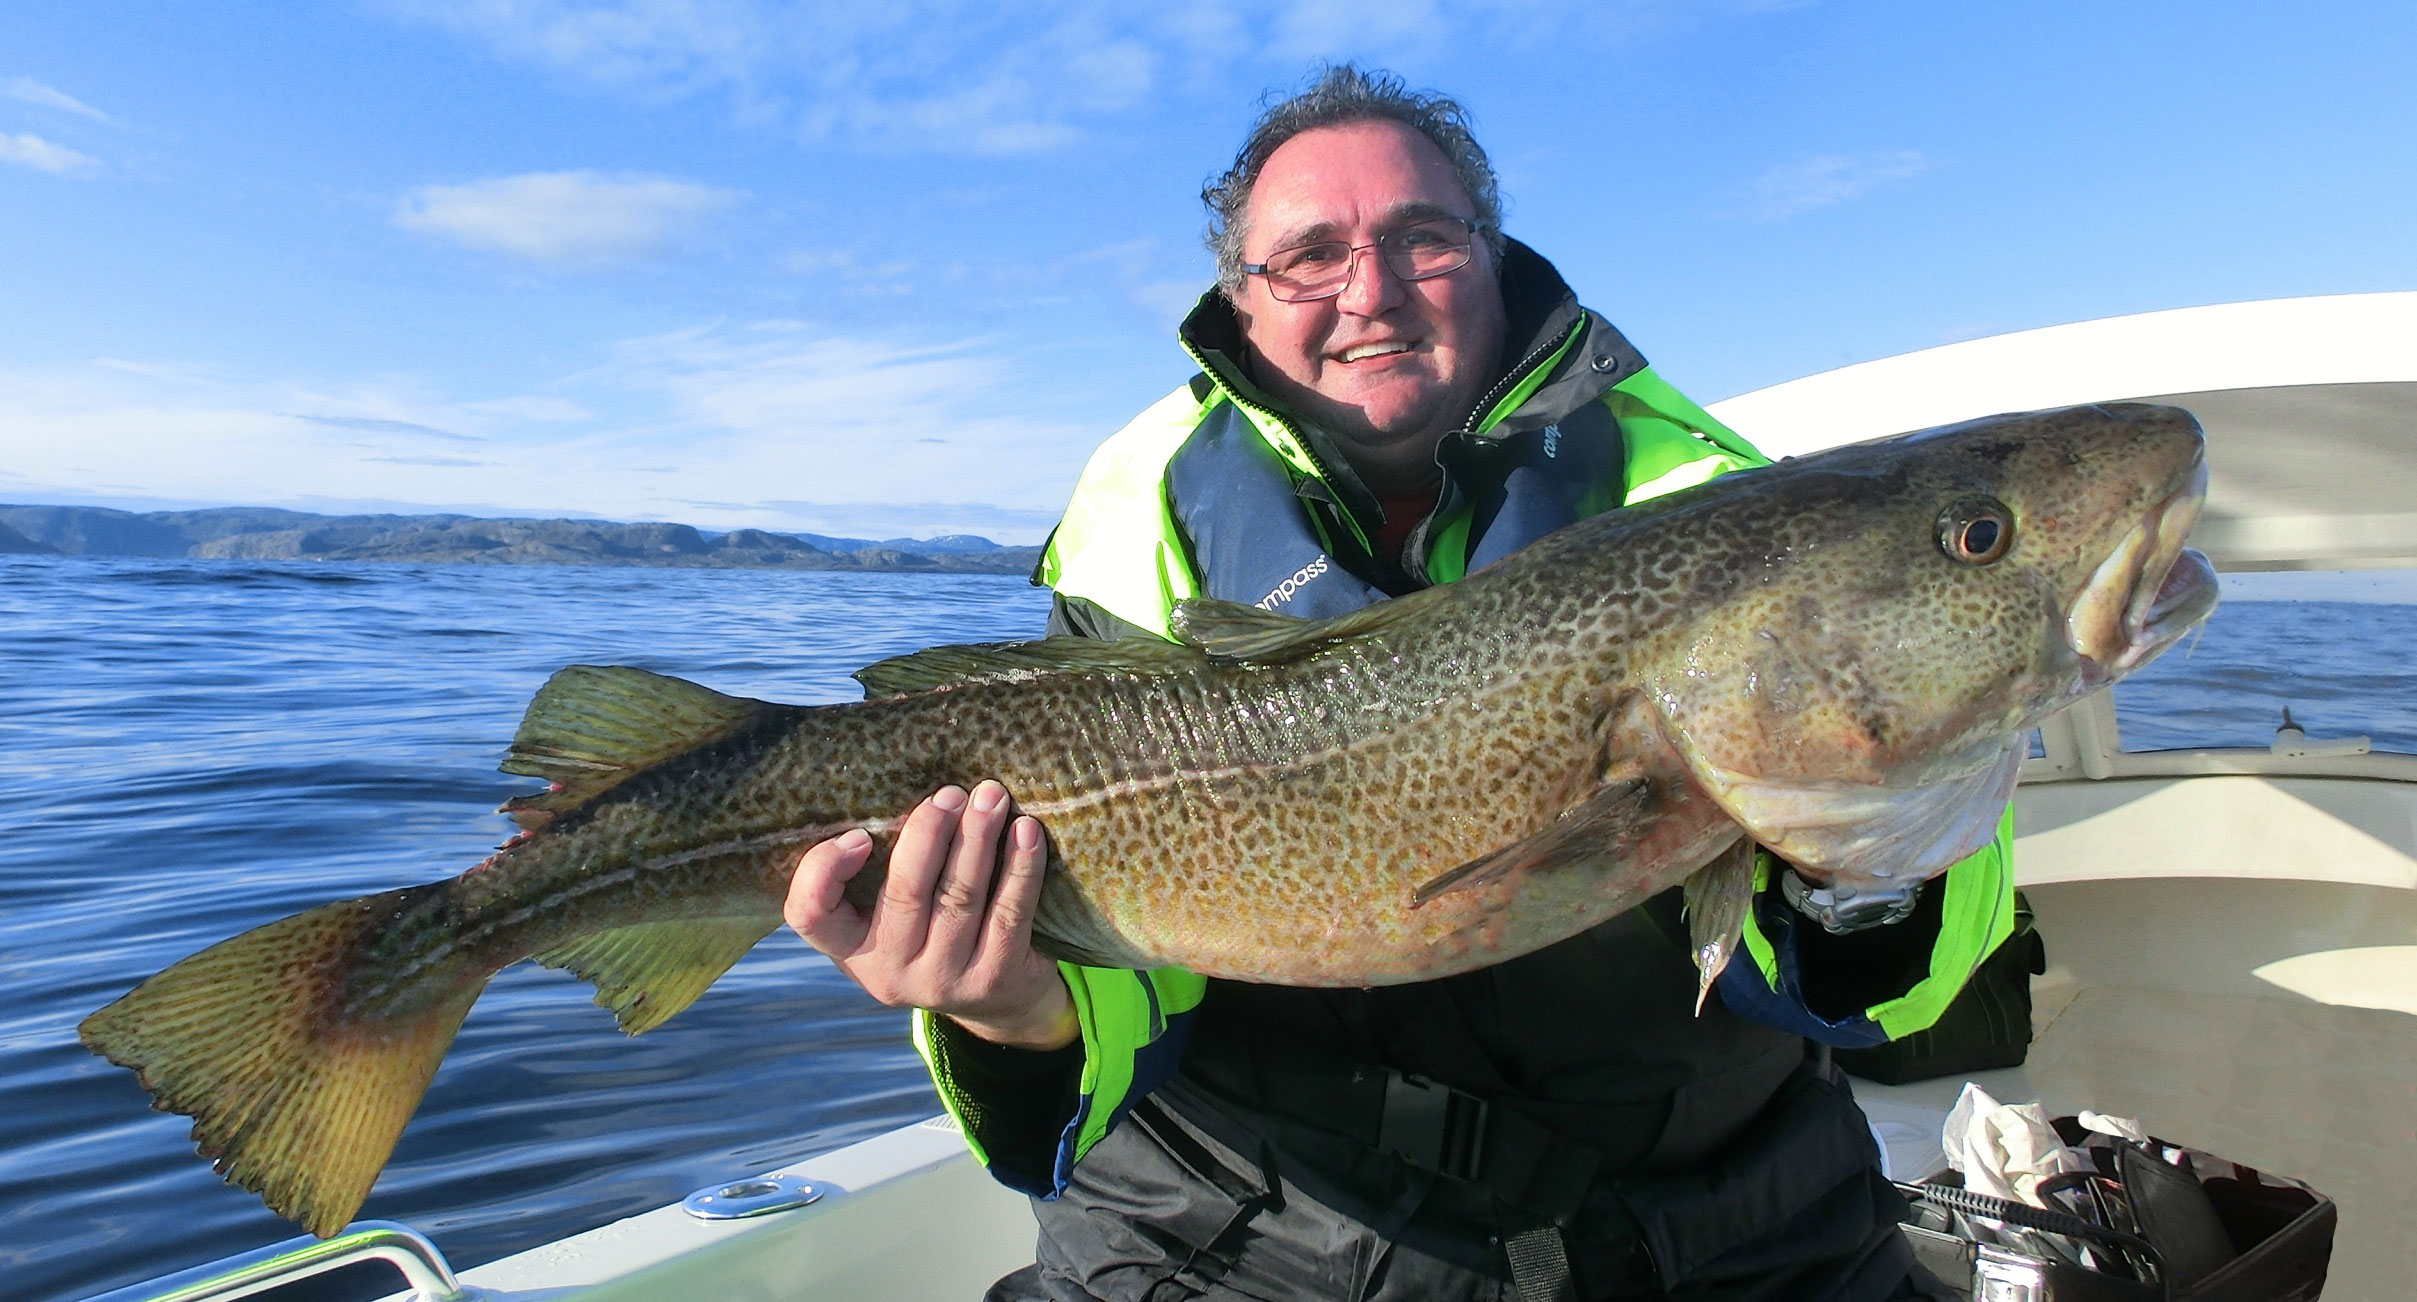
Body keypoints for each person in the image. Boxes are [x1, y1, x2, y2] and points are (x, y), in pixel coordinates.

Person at [785, 66, 2013, 1301]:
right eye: (1307, 256)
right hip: (1240, 1248)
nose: (1367, 292)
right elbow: (1112, 976)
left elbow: (1895, 996)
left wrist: (1864, 864)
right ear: (1240, 300)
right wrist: (1013, 1014)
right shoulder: (1137, 520)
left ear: (1488, 253)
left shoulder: (1712, 504)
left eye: (1419, 238)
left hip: (1714, 1229)